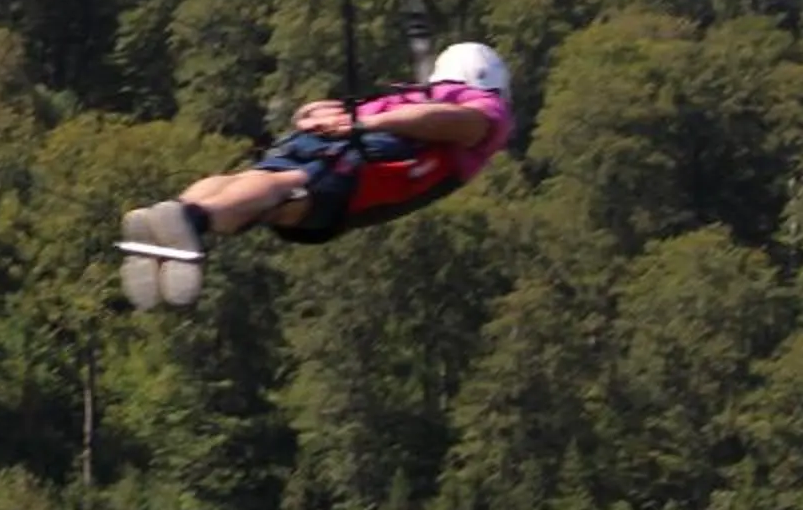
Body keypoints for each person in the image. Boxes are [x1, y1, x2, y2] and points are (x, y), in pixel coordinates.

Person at [119, 40, 514, 309]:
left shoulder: (406, 94)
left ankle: (179, 210)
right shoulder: (486, 110)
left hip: (336, 142)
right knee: (284, 187)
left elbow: (327, 113)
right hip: (369, 162)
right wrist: (367, 126)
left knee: (254, 180)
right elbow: (456, 122)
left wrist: (328, 115)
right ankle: (191, 220)